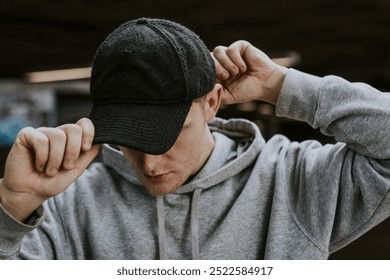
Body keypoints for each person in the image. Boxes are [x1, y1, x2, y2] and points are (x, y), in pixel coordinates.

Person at [0, 17, 389, 260]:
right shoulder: (68, 205)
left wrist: (282, 86)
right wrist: (12, 209)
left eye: (169, 134)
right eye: (131, 138)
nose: (149, 163)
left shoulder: (293, 179)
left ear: (213, 103)